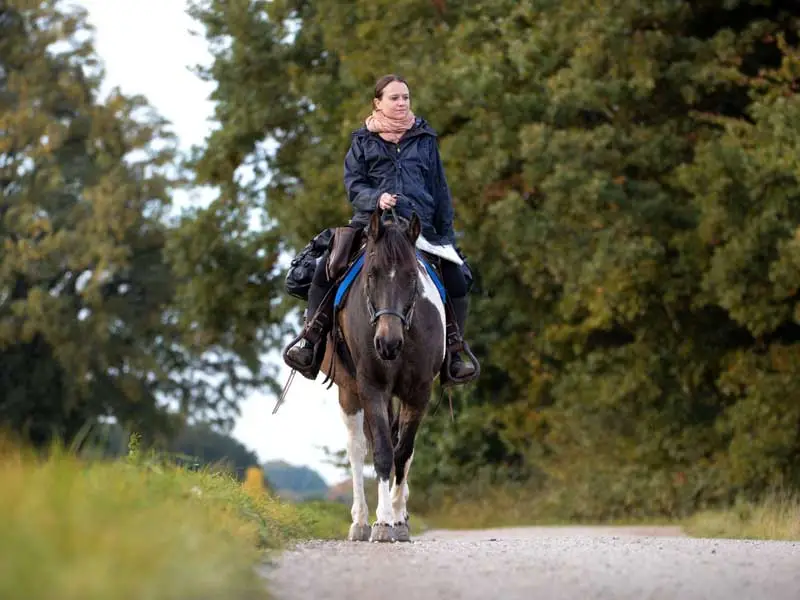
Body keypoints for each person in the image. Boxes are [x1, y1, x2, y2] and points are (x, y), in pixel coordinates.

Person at [284, 74, 476, 384]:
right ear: (378, 103)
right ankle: (311, 340)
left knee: (458, 280)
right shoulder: (361, 141)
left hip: (420, 229)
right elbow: (353, 185)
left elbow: (440, 191)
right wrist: (377, 198)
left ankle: (454, 351)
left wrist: (447, 239)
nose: (402, 103)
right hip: (372, 227)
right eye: (394, 98)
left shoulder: (425, 140)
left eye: (406, 98)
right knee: (324, 270)